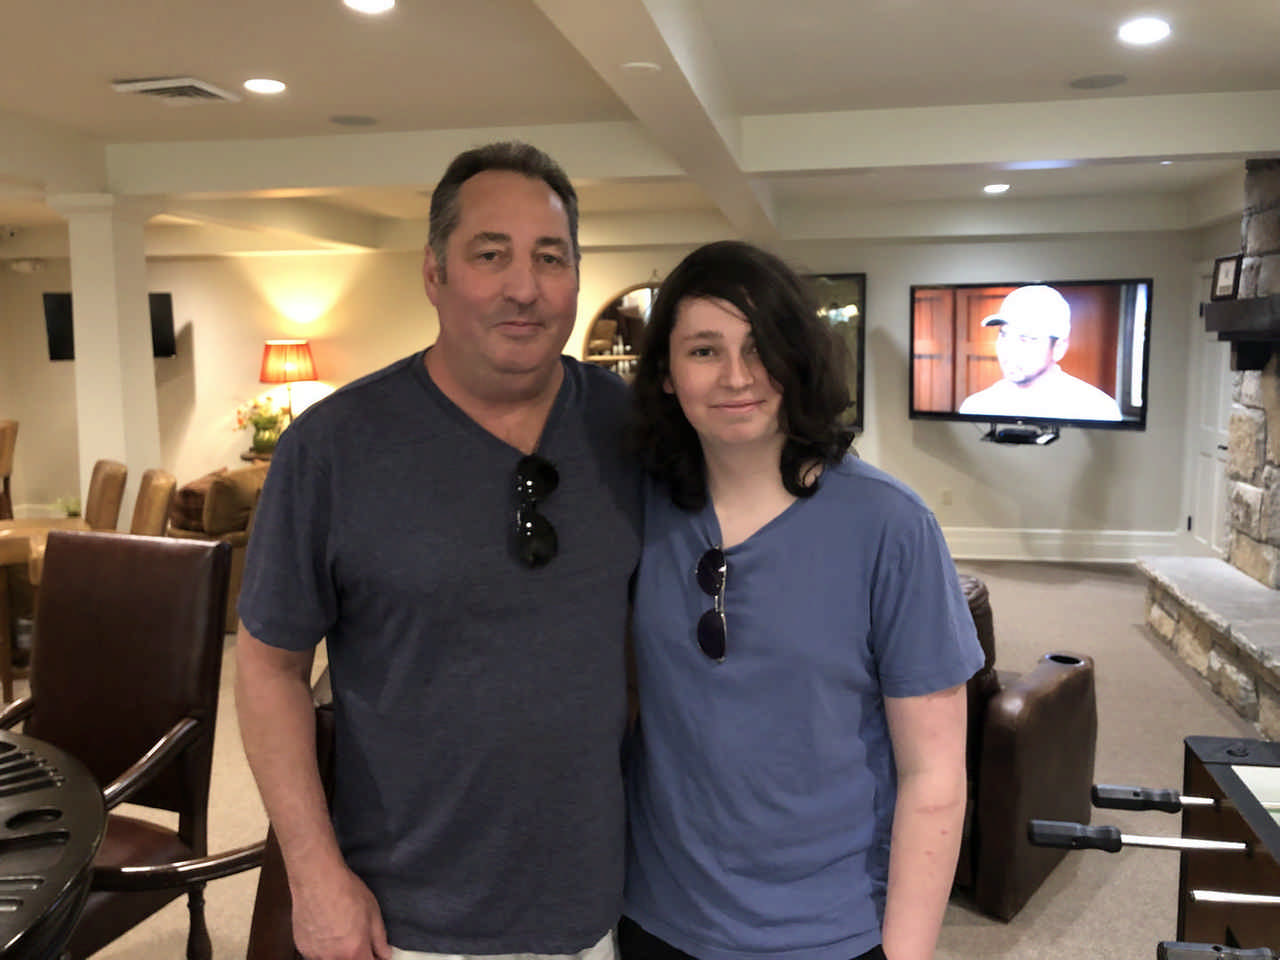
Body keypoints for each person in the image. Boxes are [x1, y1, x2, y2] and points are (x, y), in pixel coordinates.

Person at [235, 141, 642, 960]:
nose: (523, 287)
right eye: (490, 255)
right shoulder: (333, 448)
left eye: (550, 257)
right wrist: (315, 878)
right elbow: (269, 668)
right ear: (434, 273)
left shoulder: (629, 426)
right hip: (406, 916)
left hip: (597, 899)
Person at [621, 240, 985, 960]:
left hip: (831, 932)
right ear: (665, 373)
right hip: (659, 919)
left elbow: (936, 776)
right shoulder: (639, 506)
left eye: (761, 348)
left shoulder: (889, 525)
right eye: (702, 351)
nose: (736, 377)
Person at [957, 284, 1122, 420]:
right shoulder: (977, 407)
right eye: (1004, 335)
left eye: (1027, 338)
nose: (1009, 350)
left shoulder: (1097, 410)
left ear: (1058, 348)